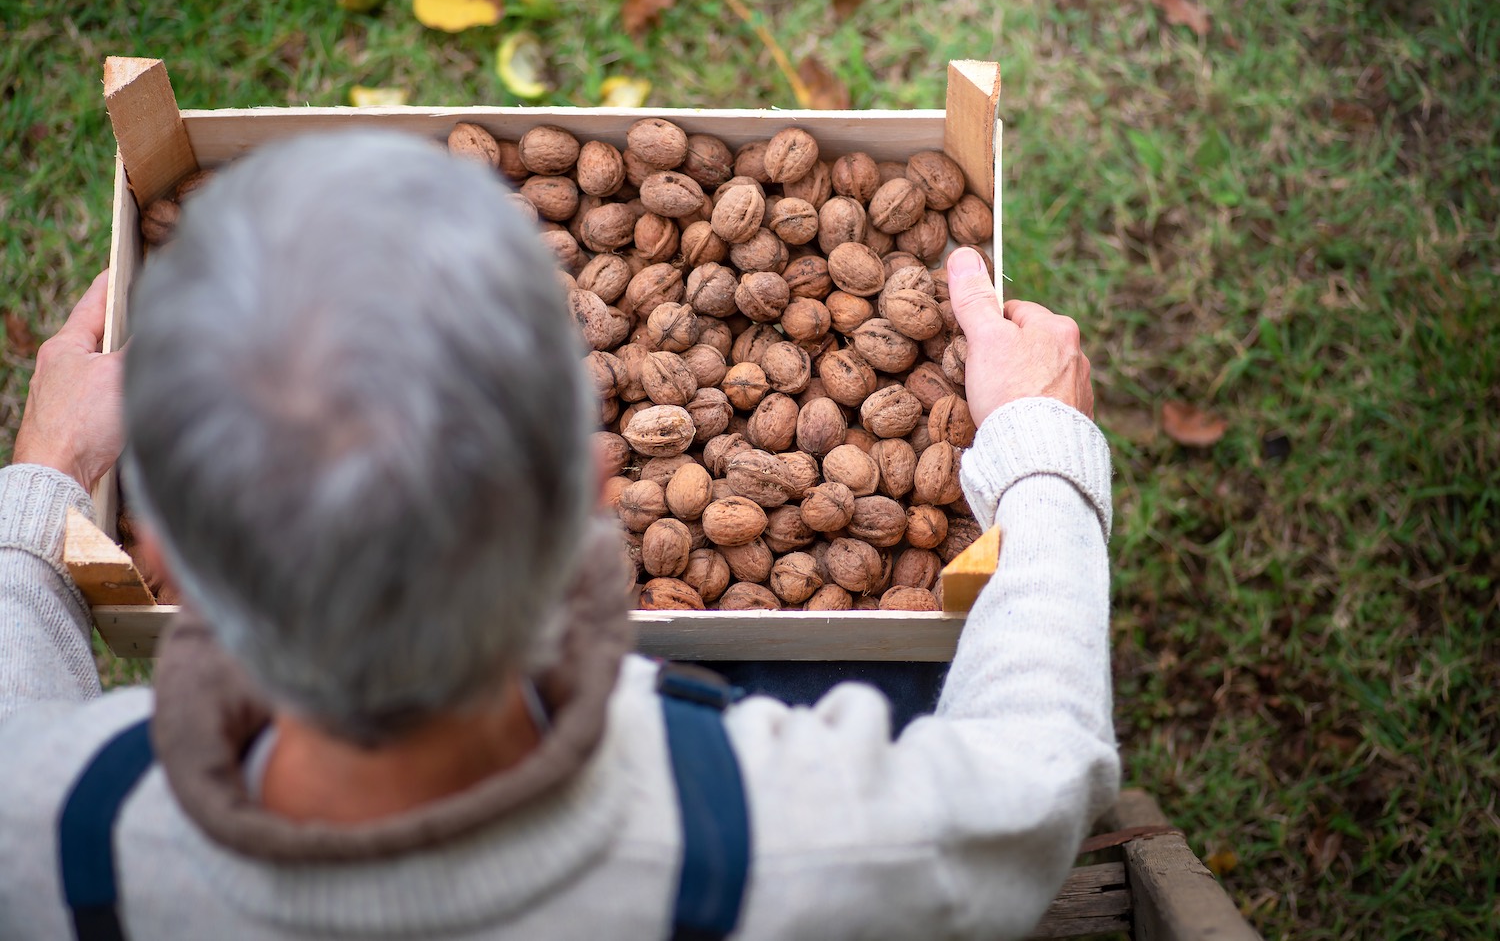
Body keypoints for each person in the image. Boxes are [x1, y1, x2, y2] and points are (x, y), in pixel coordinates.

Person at [0, 131, 1117, 939]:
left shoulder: (45, 837)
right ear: (597, 483)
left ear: (159, 567)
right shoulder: (802, 836)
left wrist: (44, 482)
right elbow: (1043, 776)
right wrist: (1038, 454)